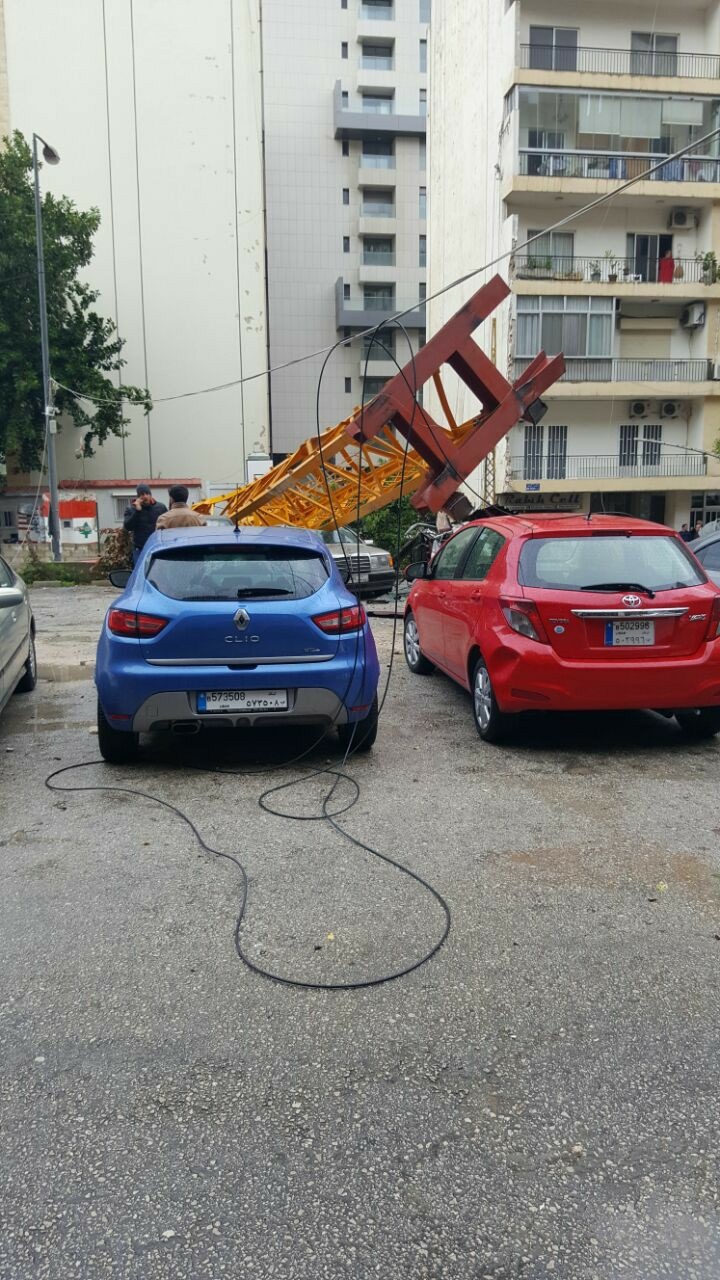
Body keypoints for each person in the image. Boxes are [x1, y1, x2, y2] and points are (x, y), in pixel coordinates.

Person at [123, 484, 167, 564]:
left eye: (147, 494)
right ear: (138, 497)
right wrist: (137, 511)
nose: (145, 496)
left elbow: (167, 525)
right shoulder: (131, 509)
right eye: (142, 494)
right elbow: (128, 526)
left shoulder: (161, 507)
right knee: (140, 573)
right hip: (139, 549)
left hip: (157, 547)